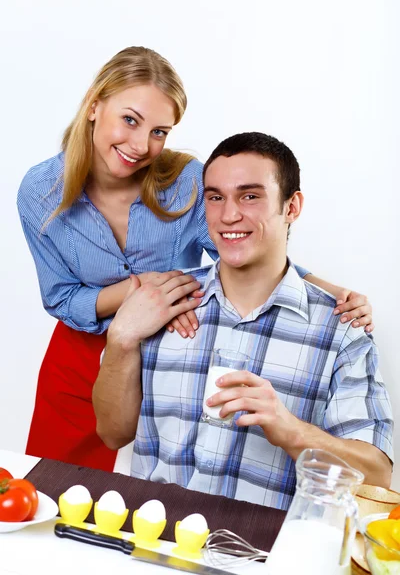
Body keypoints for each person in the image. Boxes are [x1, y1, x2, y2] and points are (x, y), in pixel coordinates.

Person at [18, 47, 373, 471]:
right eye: (130, 120)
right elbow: (61, 297)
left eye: (159, 132)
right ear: (94, 105)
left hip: (178, 339)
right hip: (80, 351)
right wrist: (140, 291)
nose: (140, 145)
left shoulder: (186, 180)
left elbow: (241, 247)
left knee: (181, 476)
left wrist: (332, 292)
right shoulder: (39, 192)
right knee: (53, 487)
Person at [93, 132, 393, 509]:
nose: (229, 215)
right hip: (156, 545)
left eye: (250, 196)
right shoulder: (162, 303)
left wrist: (290, 429)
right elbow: (111, 434)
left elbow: (377, 478)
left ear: (292, 206)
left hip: (264, 559)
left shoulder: (341, 329)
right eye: (216, 197)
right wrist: (120, 338)